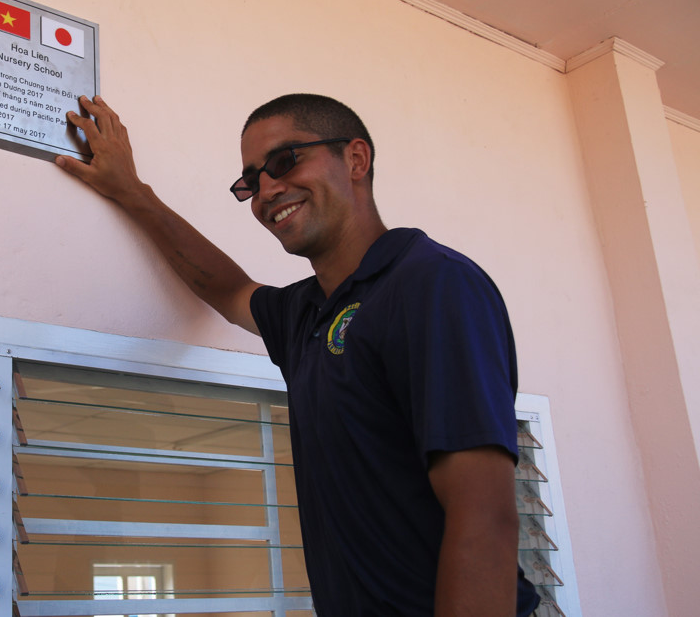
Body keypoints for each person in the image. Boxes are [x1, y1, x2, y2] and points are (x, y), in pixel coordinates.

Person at [57, 93, 540, 616]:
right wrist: (131, 191)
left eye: (285, 160)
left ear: (356, 159)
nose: (266, 191)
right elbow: (227, 288)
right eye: (251, 180)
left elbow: (484, 517)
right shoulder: (308, 314)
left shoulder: (431, 284)